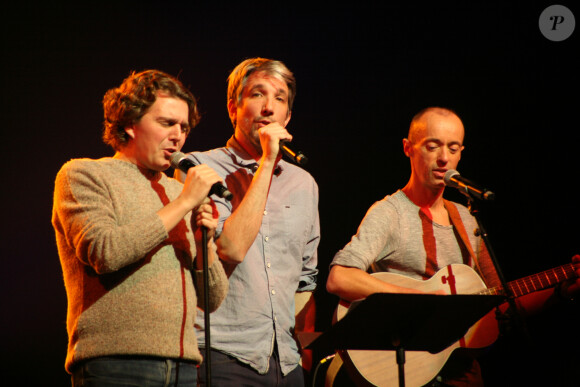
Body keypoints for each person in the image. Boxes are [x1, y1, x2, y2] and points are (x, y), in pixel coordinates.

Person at [326, 107, 580, 386]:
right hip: (406, 367)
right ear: (408, 148)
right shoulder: (390, 213)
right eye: (432, 147)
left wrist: (560, 288)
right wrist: (416, 298)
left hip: (461, 372)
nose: (444, 158)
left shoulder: (466, 217)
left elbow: (502, 302)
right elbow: (340, 277)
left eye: (453, 148)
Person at [52, 69, 229, 386]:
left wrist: (206, 247)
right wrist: (184, 203)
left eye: (184, 127)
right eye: (166, 123)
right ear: (130, 123)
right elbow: (105, 252)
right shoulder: (83, 174)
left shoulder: (179, 193)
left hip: (184, 367)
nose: (178, 135)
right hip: (116, 364)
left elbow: (212, 299)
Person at [175, 57, 320, 386]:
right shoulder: (198, 168)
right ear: (233, 108)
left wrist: (303, 359)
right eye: (257, 95)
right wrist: (268, 160)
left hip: (286, 361)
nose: (269, 108)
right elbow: (231, 249)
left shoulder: (304, 185)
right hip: (223, 354)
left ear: (288, 117)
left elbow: (306, 281)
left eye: (279, 99)